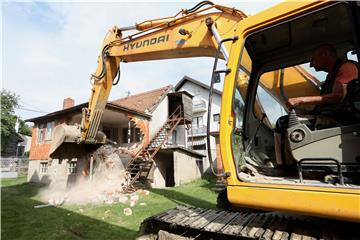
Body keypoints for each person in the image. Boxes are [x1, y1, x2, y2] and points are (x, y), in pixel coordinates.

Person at [274, 44, 358, 165]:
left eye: (312, 59)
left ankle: (284, 166)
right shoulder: (331, 76)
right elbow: (326, 102)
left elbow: (339, 96)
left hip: (343, 119)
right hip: (333, 116)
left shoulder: (347, 67)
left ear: (325, 54)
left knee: (283, 123)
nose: (311, 64)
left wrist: (301, 100)